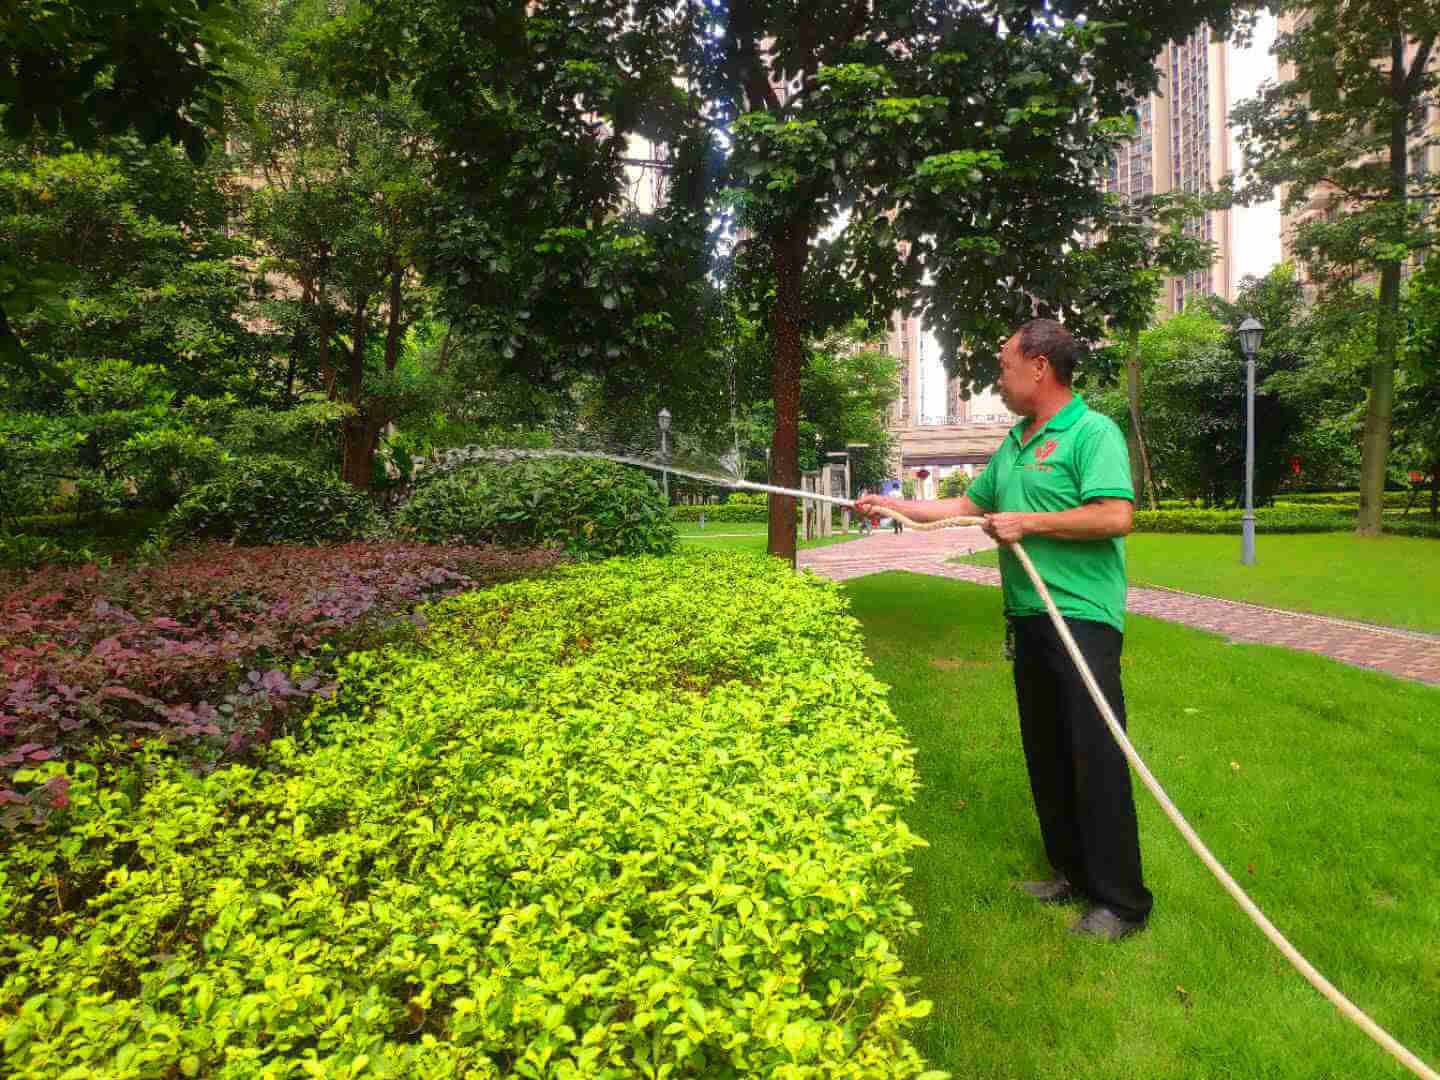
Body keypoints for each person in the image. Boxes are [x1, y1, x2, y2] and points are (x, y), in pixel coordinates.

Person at [856, 318, 1151, 943]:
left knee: (1093, 756)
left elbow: (1115, 516)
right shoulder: (1017, 440)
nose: (1000, 375)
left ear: (1040, 366)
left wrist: (1029, 524)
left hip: (1080, 619)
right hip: (1028, 617)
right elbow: (964, 505)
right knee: (1046, 750)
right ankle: (1070, 872)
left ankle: (1121, 903)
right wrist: (892, 507)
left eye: (1006, 365)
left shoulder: (1092, 432)